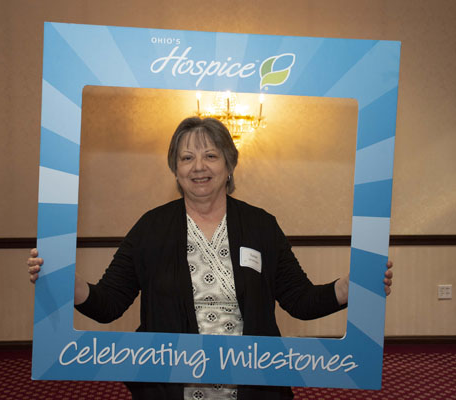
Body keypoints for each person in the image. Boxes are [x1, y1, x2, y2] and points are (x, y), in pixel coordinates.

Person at [28, 116, 393, 400]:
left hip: (254, 385)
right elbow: (108, 303)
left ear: (229, 165)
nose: (198, 166)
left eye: (210, 156)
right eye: (186, 158)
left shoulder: (261, 226)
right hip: (171, 387)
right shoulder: (150, 228)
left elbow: (300, 300)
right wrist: (70, 285)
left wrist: (347, 288)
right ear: (175, 170)